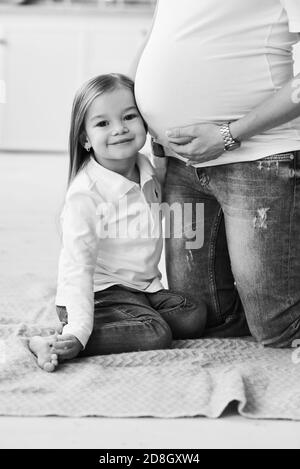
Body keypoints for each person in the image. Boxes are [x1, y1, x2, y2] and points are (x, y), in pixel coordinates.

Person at [134, 0, 300, 347]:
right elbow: (158, 37)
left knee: (278, 328)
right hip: (181, 162)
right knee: (202, 318)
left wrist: (228, 134)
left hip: (261, 156)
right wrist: (146, 125)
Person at [29, 73, 207, 372]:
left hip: (141, 289)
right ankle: (59, 341)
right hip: (98, 293)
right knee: (155, 333)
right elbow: (78, 268)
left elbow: (161, 190)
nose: (120, 129)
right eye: (103, 123)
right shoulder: (86, 196)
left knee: (193, 314)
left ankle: (137, 316)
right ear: (85, 138)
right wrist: (78, 329)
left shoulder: (144, 166)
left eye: (129, 116)